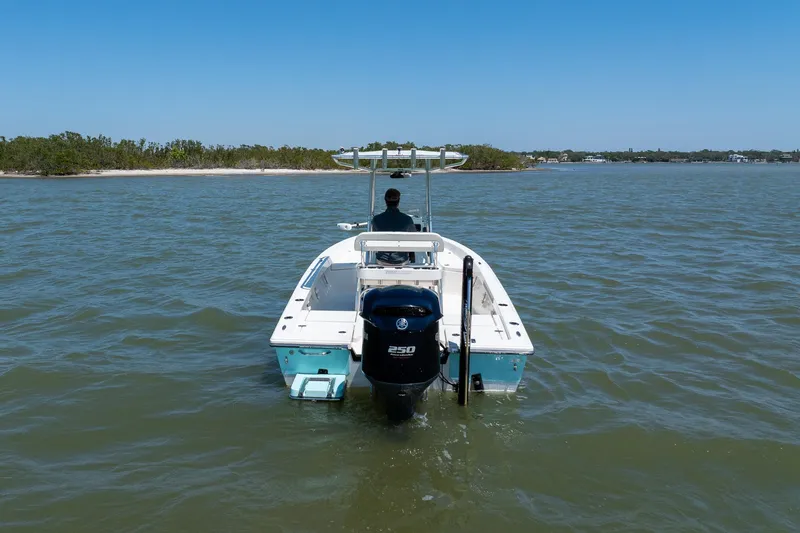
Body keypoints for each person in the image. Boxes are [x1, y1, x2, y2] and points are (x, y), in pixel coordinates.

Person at [371, 188, 417, 265]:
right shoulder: (407, 219)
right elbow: (414, 240)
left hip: (382, 261)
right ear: (398, 202)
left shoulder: (376, 219)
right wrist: (412, 257)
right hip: (401, 260)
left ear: (385, 201)